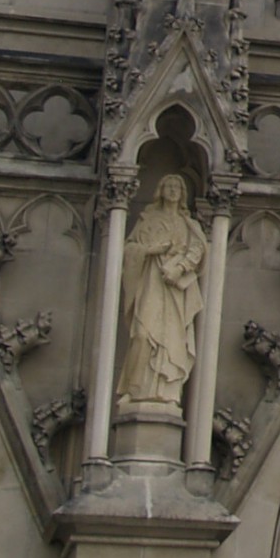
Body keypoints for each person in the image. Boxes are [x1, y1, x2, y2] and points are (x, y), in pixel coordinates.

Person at [117, 173, 206, 410]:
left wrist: (179, 268)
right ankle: (135, 390)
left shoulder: (189, 225)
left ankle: (168, 392)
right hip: (150, 283)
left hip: (175, 292)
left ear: (183, 193)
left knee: (172, 341)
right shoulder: (148, 219)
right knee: (142, 335)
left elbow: (199, 250)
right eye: (169, 185)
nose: (173, 189)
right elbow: (128, 249)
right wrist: (149, 250)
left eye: (178, 186)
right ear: (160, 189)